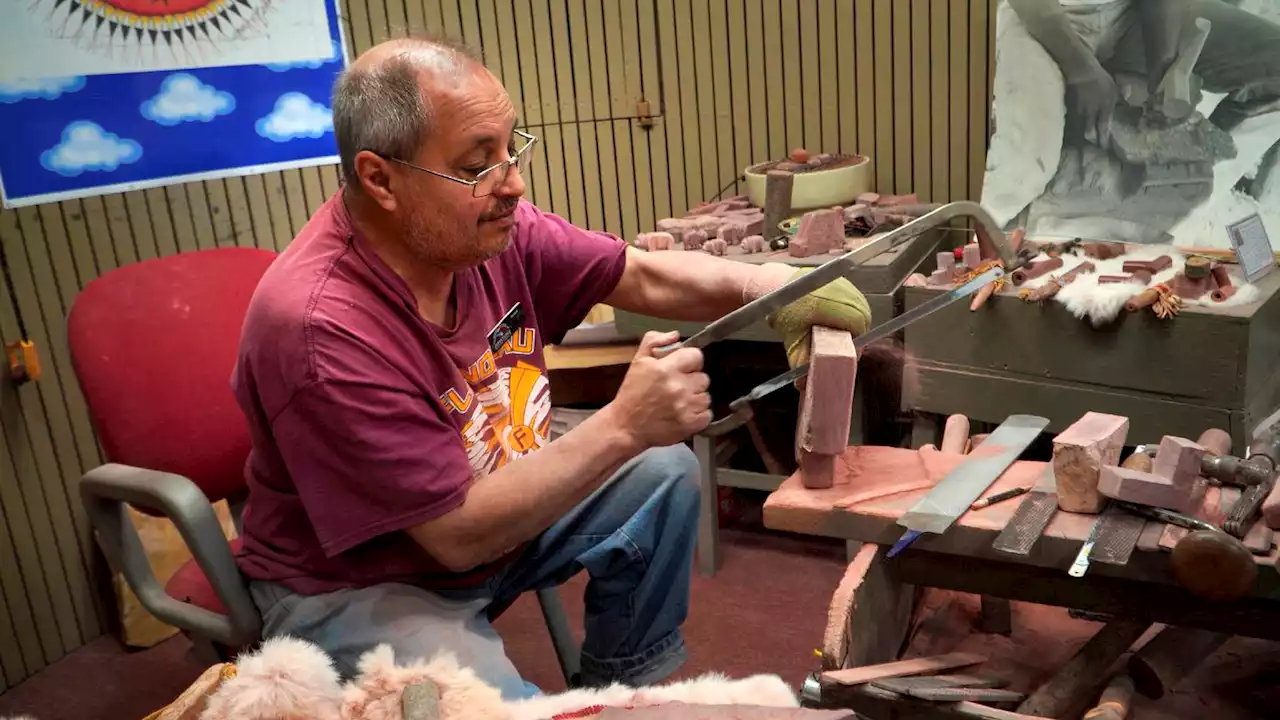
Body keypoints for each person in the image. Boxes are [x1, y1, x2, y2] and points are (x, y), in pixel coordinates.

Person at [230, 36, 871, 700]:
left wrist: (770, 285)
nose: (514, 183)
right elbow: (452, 537)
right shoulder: (322, 327)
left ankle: (623, 693)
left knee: (663, 474)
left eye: (513, 148)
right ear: (380, 179)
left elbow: (639, 275)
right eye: (479, 164)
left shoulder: (485, 230)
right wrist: (624, 423)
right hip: (368, 579)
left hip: (484, 513)